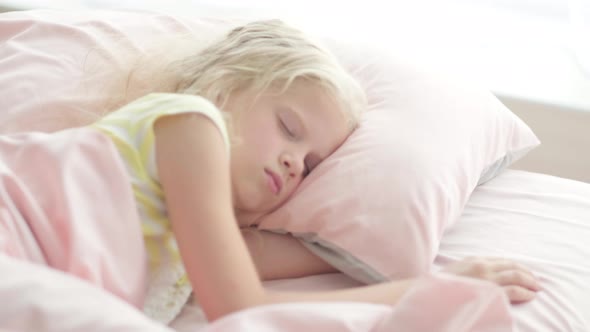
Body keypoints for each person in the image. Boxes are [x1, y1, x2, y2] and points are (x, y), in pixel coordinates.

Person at [9, 19, 541, 323]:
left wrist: (429, 269)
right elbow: (239, 305)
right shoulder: (191, 124)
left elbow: (334, 252)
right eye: (288, 126)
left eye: (310, 165)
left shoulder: (195, 231)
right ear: (224, 86)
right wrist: (429, 289)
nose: (294, 163)